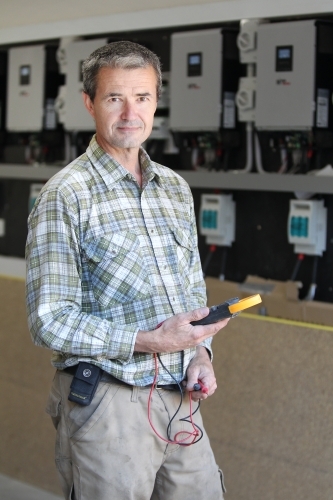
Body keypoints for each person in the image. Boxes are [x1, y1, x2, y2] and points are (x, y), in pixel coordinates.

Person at [26, 40, 229, 500]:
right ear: (89, 103)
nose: (129, 113)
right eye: (115, 97)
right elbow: (49, 320)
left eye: (143, 97)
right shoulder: (67, 194)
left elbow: (191, 291)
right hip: (108, 402)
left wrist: (201, 353)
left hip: (181, 399)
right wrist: (147, 341)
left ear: (157, 102)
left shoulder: (174, 189)